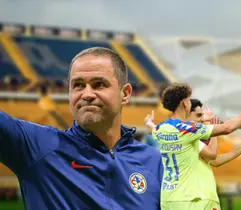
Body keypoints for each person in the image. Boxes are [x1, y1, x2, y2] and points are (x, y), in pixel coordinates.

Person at [0, 47, 163, 209]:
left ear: (125, 93)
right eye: (78, 85)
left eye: (99, 84)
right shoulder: (37, 147)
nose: (87, 94)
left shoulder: (155, 162)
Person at [151, 83, 241, 210]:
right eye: (189, 100)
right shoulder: (187, 130)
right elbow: (226, 128)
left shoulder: (160, 129)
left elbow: (213, 159)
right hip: (192, 198)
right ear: (185, 103)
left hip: (169, 198)